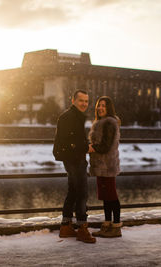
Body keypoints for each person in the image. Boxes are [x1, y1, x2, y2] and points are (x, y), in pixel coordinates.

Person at [53, 89, 96, 243]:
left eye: (86, 101)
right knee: (82, 192)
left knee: (73, 191)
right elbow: (69, 141)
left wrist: (84, 145)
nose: (84, 104)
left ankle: (66, 226)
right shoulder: (70, 117)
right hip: (74, 159)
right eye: (81, 101)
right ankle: (82, 228)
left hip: (72, 158)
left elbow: (73, 139)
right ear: (73, 101)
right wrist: (86, 147)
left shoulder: (74, 116)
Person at [88, 96, 122, 238]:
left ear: (109, 108)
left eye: (104, 106)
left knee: (111, 196)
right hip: (101, 165)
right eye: (99, 105)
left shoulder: (109, 122)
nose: (100, 108)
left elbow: (106, 146)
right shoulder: (100, 122)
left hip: (107, 165)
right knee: (106, 197)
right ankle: (107, 225)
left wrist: (92, 148)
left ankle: (116, 227)